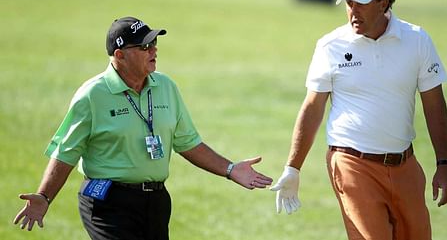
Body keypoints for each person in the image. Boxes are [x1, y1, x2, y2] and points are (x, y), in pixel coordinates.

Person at [13, 16, 273, 239]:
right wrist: (44, 197)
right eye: (145, 46)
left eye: (155, 44)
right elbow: (66, 151)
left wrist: (230, 169)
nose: (154, 51)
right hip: (108, 202)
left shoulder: (166, 87)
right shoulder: (92, 95)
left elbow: (188, 142)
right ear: (119, 55)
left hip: (156, 202)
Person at [270, 0, 447, 240]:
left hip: (405, 164)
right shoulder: (330, 45)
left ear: (383, 4)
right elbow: (313, 107)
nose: (353, 12)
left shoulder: (417, 40)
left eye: (362, 4)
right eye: (349, 3)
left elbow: (435, 105)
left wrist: (444, 164)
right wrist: (292, 167)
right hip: (351, 163)